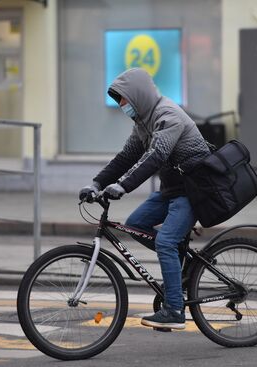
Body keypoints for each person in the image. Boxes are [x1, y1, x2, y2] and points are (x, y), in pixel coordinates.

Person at [79, 67, 211, 329]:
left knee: (165, 242)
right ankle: (177, 262)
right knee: (135, 224)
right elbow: (126, 157)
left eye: (124, 100)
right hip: (171, 190)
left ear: (138, 95)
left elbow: (156, 156)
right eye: (119, 101)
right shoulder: (143, 121)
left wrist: (123, 186)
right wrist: (96, 182)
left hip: (192, 190)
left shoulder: (167, 115)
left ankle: (174, 310)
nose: (122, 106)